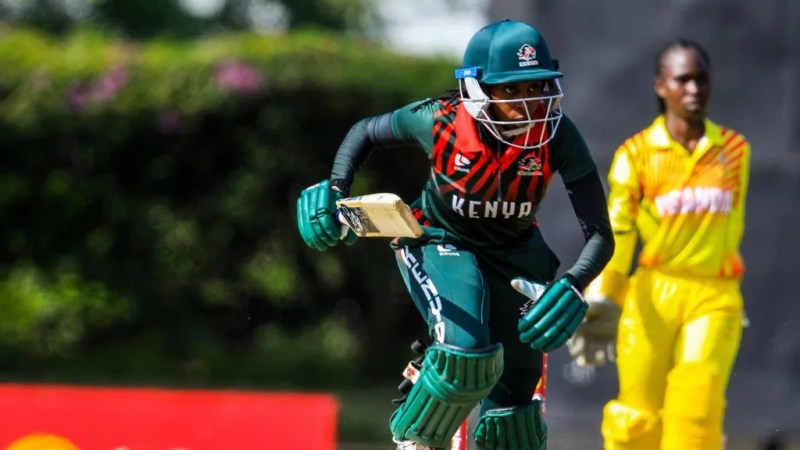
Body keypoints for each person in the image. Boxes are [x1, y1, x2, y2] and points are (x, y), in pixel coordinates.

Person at [297, 19, 614, 450]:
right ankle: (416, 440)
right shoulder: (437, 121)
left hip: (516, 254)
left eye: (536, 87)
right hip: (439, 240)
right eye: (511, 91)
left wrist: (574, 284)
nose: (528, 105)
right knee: (465, 356)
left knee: (515, 416)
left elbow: (600, 233)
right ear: (478, 88)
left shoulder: (558, 135)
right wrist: (337, 190)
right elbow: (366, 131)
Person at [567, 39, 750, 450]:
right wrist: (606, 295)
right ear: (660, 86)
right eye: (682, 80)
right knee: (635, 418)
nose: (694, 90)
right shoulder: (635, 155)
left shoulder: (735, 152)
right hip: (653, 293)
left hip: (714, 294)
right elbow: (620, 230)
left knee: (696, 403)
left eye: (701, 80)